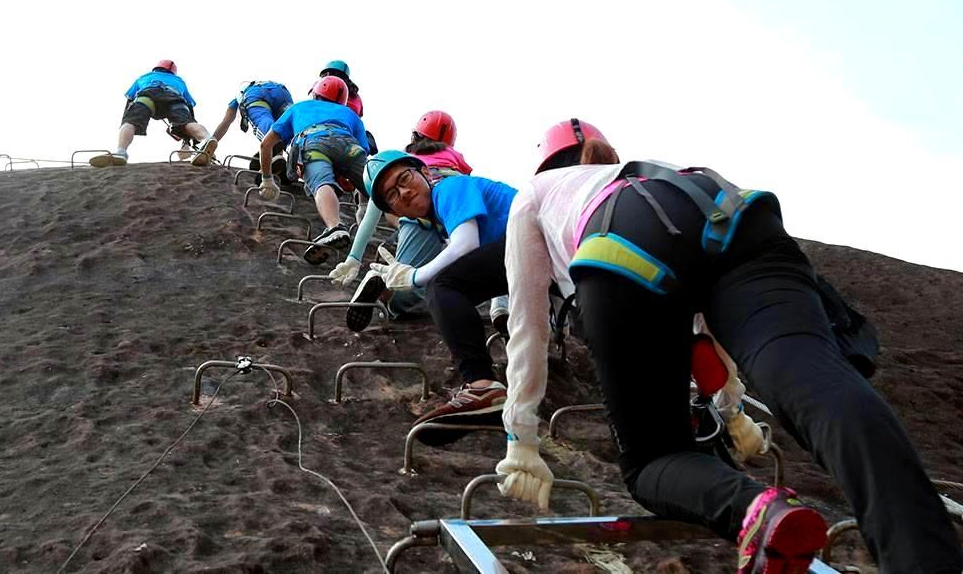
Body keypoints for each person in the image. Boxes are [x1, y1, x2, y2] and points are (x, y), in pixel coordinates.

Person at [493, 119, 963, 573]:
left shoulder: (534, 196)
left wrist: (521, 439)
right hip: (734, 216)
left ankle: (759, 511)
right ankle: (926, 557)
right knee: (817, 384)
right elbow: (702, 315)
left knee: (654, 460)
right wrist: (732, 408)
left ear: (543, 167)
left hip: (624, 240)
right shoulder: (648, 166)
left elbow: (527, 321)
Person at [362, 148, 517, 445]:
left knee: (445, 286)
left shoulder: (449, 188)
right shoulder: (439, 222)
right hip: (540, 258)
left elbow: (465, 245)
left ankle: (482, 384)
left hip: (537, 241)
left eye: (404, 179)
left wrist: (414, 276)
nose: (404, 192)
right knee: (450, 287)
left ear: (426, 173)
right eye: (393, 195)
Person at [330, 111, 478, 331]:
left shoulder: (400, 161)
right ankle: (499, 310)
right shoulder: (455, 158)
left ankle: (385, 291)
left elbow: (374, 211)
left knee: (405, 281)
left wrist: (354, 257)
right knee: (430, 276)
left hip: (416, 219)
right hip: (450, 215)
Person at [257, 75, 370, 263]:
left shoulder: (298, 107)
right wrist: (364, 203)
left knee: (321, 182)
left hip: (314, 142)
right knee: (381, 189)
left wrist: (267, 179)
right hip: (350, 146)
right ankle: (403, 228)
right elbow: (364, 155)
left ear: (315, 93)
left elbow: (265, 145)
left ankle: (335, 226)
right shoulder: (350, 114)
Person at [91, 60, 216, 168]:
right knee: (188, 123)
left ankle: (120, 152)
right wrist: (188, 138)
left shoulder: (143, 77)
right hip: (174, 98)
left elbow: (130, 99)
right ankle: (207, 139)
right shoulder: (179, 81)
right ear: (173, 72)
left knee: (130, 123)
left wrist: (126, 121)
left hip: (147, 97)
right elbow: (189, 106)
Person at [212, 80, 294, 142]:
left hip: (256, 94)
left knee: (262, 118)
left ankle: (274, 145)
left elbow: (225, 123)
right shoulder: (267, 83)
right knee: (290, 122)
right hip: (282, 92)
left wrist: (212, 141)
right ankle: (301, 146)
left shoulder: (240, 96)